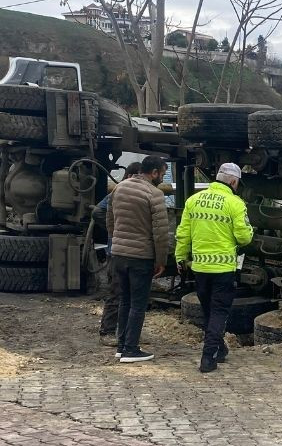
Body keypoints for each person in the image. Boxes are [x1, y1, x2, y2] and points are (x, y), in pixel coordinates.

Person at [175, 162, 253, 373]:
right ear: (234, 182)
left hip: (200, 267)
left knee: (208, 310)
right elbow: (244, 238)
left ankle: (220, 348)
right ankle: (208, 357)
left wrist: (180, 258)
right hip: (223, 269)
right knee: (218, 312)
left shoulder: (193, 201)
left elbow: (183, 234)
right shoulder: (235, 203)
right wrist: (249, 232)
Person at [107, 156, 172, 364]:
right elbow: (160, 233)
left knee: (124, 300)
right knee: (138, 304)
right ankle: (131, 349)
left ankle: (121, 346)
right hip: (140, 256)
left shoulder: (120, 188)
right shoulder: (154, 194)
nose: (161, 178)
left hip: (119, 254)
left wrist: (117, 241)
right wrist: (161, 260)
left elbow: (110, 219)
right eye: (162, 174)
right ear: (154, 172)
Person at [95, 162, 143, 343]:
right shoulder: (118, 193)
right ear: (131, 175)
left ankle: (127, 333)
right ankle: (107, 332)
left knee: (130, 294)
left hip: (129, 251)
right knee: (116, 292)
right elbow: (98, 212)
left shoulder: (133, 194)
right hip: (116, 251)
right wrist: (115, 229)